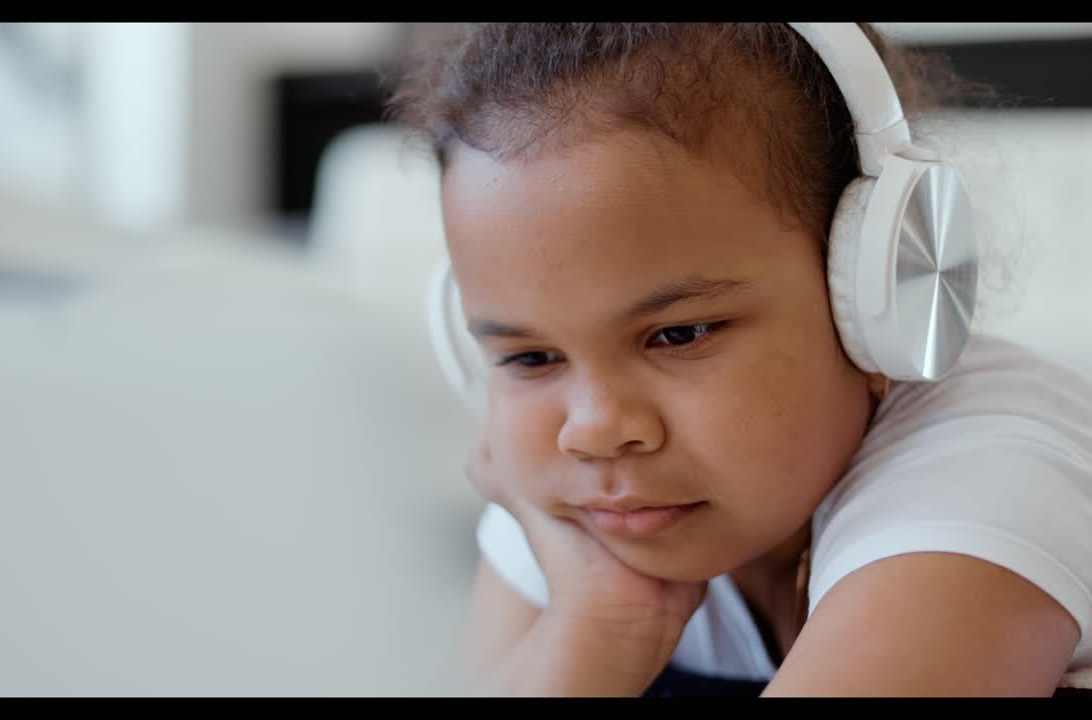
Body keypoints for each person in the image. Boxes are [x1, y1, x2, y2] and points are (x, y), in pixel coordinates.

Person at [385, 23, 1092, 696]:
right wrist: (602, 626)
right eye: (532, 357)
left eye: (679, 335)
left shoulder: (988, 477)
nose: (596, 430)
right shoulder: (575, 518)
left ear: (881, 297)